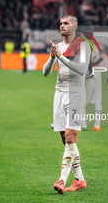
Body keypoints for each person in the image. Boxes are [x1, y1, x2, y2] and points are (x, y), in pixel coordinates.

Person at [43, 15, 91, 194]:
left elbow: (81, 70)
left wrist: (60, 57)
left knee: (71, 138)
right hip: (59, 94)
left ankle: (61, 180)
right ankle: (80, 179)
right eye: (60, 23)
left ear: (75, 26)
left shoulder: (83, 45)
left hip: (76, 95)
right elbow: (46, 72)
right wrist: (51, 57)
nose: (62, 26)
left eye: (66, 23)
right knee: (66, 140)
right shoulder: (58, 46)